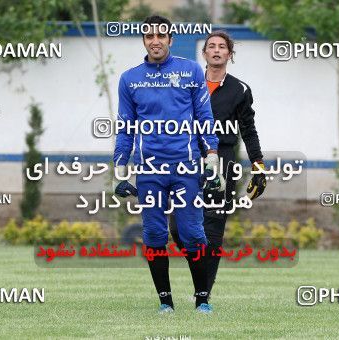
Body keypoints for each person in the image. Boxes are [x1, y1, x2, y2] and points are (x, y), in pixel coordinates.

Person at [112, 15, 225, 314]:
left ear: (171, 40)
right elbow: (125, 128)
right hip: (149, 170)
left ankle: (202, 300)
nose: (155, 41)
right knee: (153, 235)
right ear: (144, 41)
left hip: (186, 166)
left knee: (192, 234)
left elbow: (205, 118)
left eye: (161, 36)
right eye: (149, 36)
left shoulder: (190, 71)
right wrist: (119, 169)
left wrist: (211, 155)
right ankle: (166, 303)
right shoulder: (129, 78)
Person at [170, 30, 266, 297]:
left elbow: (249, 130)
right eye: (211, 46)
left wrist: (258, 166)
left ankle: (204, 293)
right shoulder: (186, 85)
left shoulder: (240, 90)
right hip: (186, 161)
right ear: (204, 54)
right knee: (177, 226)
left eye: (221, 47)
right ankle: (199, 267)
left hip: (222, 162)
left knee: (212, 226)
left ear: (229, 54)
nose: (215, 50)